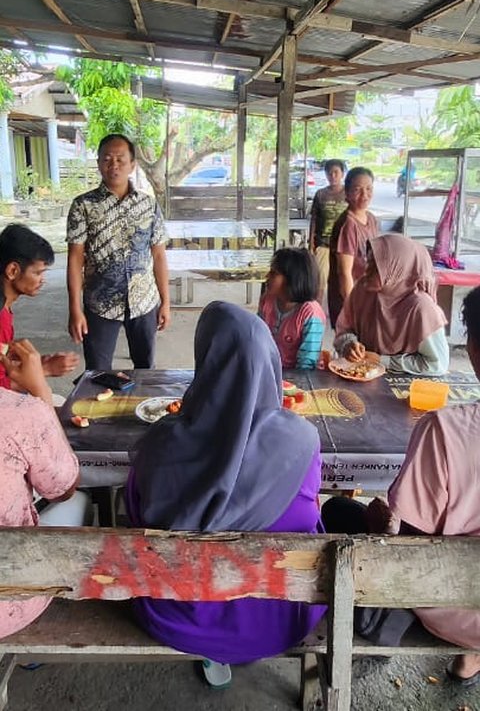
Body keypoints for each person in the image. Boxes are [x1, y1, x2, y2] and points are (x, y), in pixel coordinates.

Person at [126, 301, 326, 687]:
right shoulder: (302, 440)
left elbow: (136, 519)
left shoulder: (160, 445)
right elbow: (309, 513)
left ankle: (215, 649)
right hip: (283, 618)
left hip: (176, 617)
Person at [325, 285, 480, 683]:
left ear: (474, 352)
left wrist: (384, 525)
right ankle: (471, 659)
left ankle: (383, 627)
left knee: (336, 513)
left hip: (458, 603)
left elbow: (410, 550)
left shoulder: (446, 431)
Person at [0, 338, 86, 640]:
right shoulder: (19, 412)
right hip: (11, 600)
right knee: (79, 503)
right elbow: (63, 489)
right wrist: (40, 393)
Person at [67, 133, 171, 370]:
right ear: (98, 163)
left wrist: (165, 302)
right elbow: (75, 259)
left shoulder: (148, 205)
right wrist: (74, 308)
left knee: (145, 370)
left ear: (132, 165)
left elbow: (158, 255)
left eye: (120, 159)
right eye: (107, 159)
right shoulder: (83, 206)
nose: (113, 165)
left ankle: (143, 408)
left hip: (143, 301)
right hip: (100, 304)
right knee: (96, 373)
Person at [334, 233, 449, 375]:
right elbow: (344, 329)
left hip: (406, 390)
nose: (366, 271)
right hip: (363, 379)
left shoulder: (422, 309)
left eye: (376, 268)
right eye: (368, 262)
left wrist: (383, 361)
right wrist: (349, 345)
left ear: (397, 271)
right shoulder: (362, 291)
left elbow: (437, 364)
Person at [0, 224, 79, 389]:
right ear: (13, 271)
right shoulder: (1, 319)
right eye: (37, 273)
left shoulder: (5, 309)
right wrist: (45, 370)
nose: (42, 280)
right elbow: (3, 390)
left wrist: (36, 363)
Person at [327, 166, 378, 329]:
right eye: (357, 190)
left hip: (366, 297)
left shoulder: (371, 219)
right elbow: (344, 273)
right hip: (350, 301)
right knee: (352, 349)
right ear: (347, 193)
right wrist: (352, 310)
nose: (365, 195)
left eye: (369, 189)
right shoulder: (348, 225)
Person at [258, 248, 326, 369]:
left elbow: (307, 364)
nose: (267, 276)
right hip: (269, 370)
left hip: (298, 377)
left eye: (274, 273)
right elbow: (258, 338)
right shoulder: (267, 301)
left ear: (292, 279)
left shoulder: (310, 313)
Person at [308, 159, 347, 304]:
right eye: (329, 173)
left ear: (342, 174)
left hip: (344, 245)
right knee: (320, 281)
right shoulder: (320, 194)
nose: (333, 176)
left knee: (342, 279)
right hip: (323, 243)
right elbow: (314, 219)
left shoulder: (348, 193)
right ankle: (316, 309)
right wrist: (311, 241)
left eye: (336, 172)